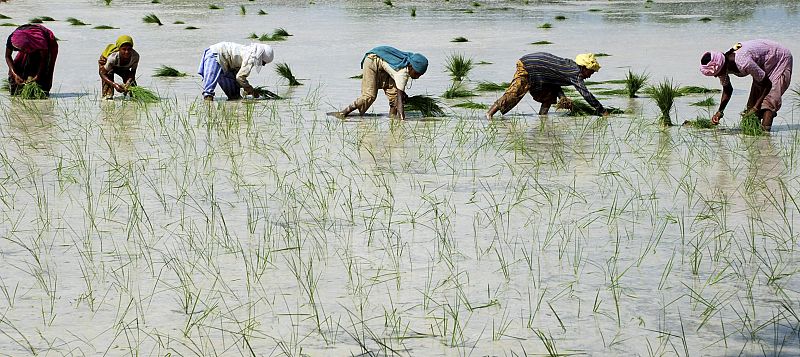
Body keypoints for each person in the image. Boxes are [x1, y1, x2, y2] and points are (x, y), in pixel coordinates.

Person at [700, 40, 793, 131]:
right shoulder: (723, 66)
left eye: (716, 73)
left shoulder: (743, 62)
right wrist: (720, 112)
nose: (716, 76)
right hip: (763, 64)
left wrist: (756, 107)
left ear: (723, 66)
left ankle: (766, 137)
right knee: (750, 108)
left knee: (768, 102)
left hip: (779, 58)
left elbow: (767, 84)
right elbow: (727, 90)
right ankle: (757, 134)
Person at [486, 52, 608, 120]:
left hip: (542, 74)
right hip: (528, 65)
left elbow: (554, 82)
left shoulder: (571, 67)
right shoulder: (575, 73)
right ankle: (489, 115)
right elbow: (585, 94)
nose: (590, 76)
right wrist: (602, 110)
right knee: (515, 93)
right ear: (583, 67)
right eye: (590, 72)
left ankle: (542, 118)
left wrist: (562, 98)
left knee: (549, 95)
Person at [335, 46, 428, 120]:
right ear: (411, 66)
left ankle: (392, 118)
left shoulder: (408, 63)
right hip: (372, 61)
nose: (417, 77)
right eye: (416, 74)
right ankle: (344, 112)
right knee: (369, 95)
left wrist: (403, 96)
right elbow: (400, 102)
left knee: (394, 97)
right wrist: (402, 119)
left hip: (383, 67)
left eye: (420, 75)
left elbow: (399, 95)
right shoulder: (402, 74)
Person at [198, 42, 274, 101]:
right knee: (208, 92)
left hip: (226, 64)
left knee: (235, 97)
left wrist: (244, 87)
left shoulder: (250, 51)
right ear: (261, 57)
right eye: (263, 62)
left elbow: (237, 75)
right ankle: (207, 108)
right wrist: (249, 88)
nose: (263, 65)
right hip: (215, 55)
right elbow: (240, 77)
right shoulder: (250, 58)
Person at [5, 24, 58, 96]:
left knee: (42, 75)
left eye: (24, 49)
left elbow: (44, 60)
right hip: (28, 41)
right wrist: (15, 74)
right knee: (19, 67)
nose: (23, 51)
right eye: (21, 49)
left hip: (45, 43)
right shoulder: (12, 40)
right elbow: (7, 56)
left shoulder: (41, 42)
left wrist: (38, 75)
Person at [98, 35, 139, 100]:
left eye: (129, 49)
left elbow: (132, 73)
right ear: (119, 49)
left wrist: (128, 82)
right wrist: (114, 85)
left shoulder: (135, 56)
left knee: (132, 87)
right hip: (106, 63)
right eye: (124, 49)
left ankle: (132, 97)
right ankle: (107, 98)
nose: (127, 52)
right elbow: (102, 73)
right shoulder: (113, 58)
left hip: (123, 67)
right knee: (109, 75)